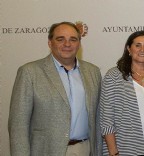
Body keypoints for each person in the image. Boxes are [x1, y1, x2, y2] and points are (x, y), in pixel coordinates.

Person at [9, 21, 102, 156]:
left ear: (79, 44)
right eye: (60, 39)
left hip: (85, 149)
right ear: (50, 43)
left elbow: (98, 119)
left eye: (73, 39)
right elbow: (18, 125)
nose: (67, 44)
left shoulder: (92, 72)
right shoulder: (30, 72)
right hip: (46, 151)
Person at [98, 31, 144, 156]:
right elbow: (106, 118)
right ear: (129, 49)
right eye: (137, 45)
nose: (142, 49)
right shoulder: (114, 76)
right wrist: (113, 151)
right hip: (125, 150)